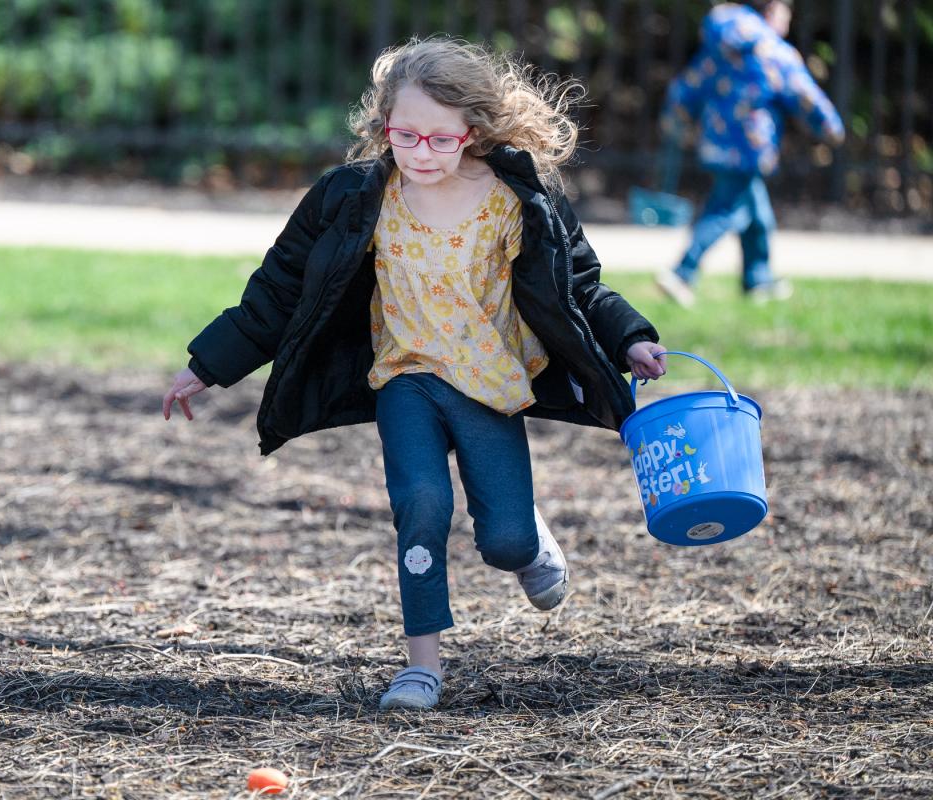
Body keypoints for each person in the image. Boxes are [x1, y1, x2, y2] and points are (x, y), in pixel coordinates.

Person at [162, 36, 667, 711]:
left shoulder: (520, 199)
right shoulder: (356, 198)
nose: (422, 153)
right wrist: (208, 365)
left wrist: (631, 339)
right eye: (406, 136)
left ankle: (529, 544)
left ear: (474, 131)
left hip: (489, 385)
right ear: (384, 126)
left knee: (505, 540)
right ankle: (421, 667)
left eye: (440, 139)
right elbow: (279, 289)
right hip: (404, 378)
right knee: (422, 506)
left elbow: (580, 287)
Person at [655, 0, 844, 308]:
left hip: (715, 143)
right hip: (752, 147)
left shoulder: (718, 47)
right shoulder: (774, 51)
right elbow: (804, 93)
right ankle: (682, 272)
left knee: (758, 214)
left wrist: (674, 120)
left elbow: (687, 86)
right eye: (786, 11)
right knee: (726, 210)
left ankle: (759, 279)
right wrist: (832, 128)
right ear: (770, 11)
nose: (788, 19)